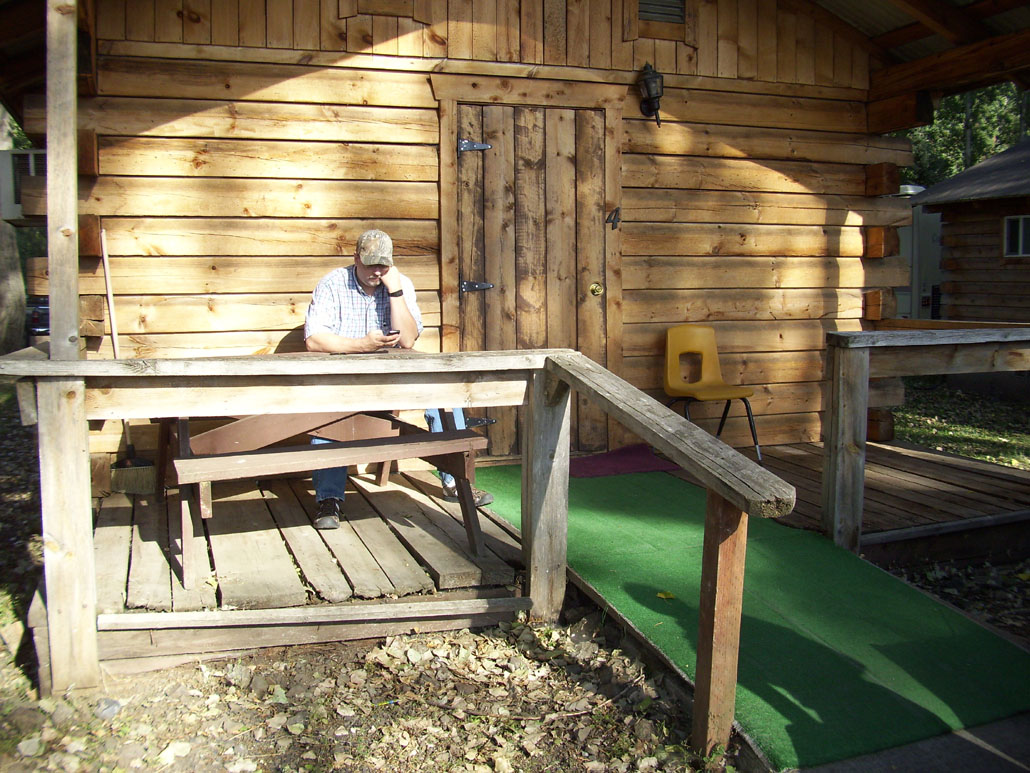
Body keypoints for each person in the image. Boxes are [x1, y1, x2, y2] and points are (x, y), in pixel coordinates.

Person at [304, 229, 491, 530]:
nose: (377, 271)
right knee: (329, 417)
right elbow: (314, 339)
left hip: (392, 383)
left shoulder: (400, 284)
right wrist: (361, 345)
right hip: (344, 383)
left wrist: (395, 292)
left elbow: (407, 340)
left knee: (444, 396)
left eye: (383, 265)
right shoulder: (333, 283)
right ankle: (329, 499)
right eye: (370, 264)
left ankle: (456, 484)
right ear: (356, 258)